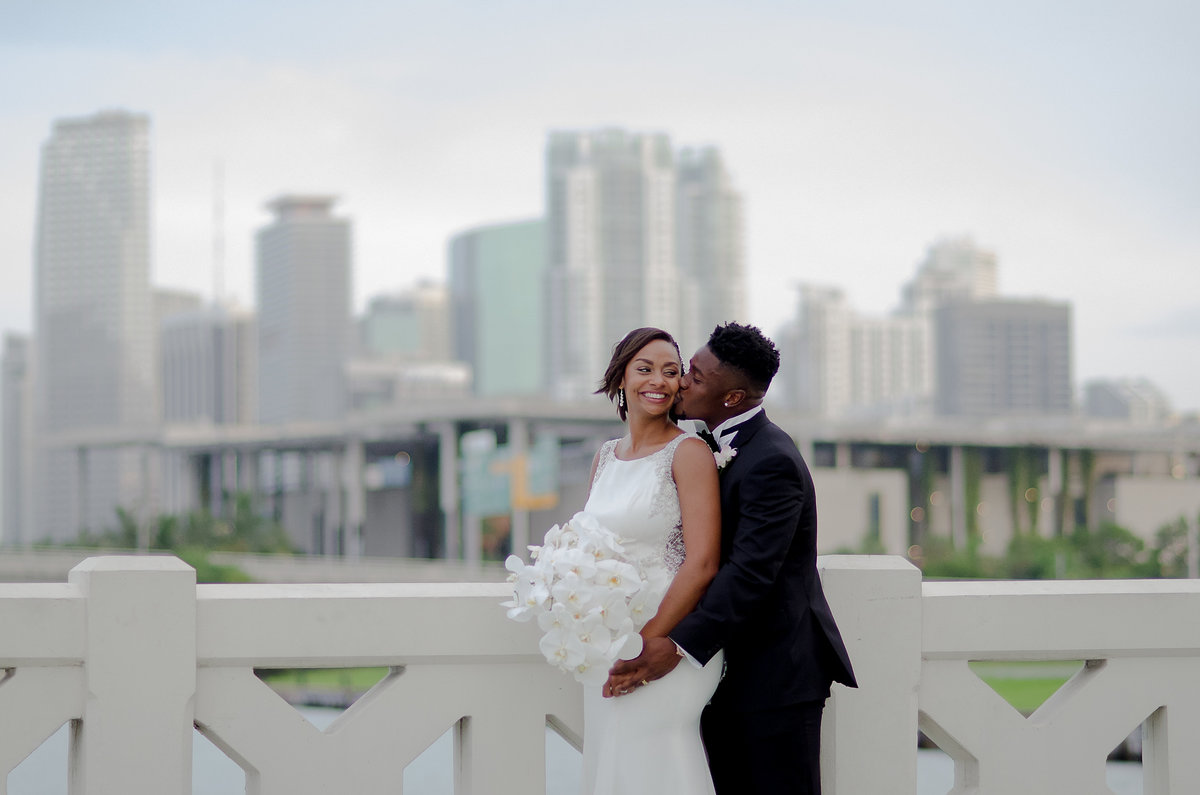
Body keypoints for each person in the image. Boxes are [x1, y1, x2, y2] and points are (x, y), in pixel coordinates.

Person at [606, 322, 857, 795]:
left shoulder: (772, 460)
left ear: (733, 398)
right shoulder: (708, 444)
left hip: (775, 677)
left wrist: (673, 645)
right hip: (723, 672)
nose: (680, 383)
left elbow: (750, 573)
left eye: (694, 377)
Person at [580, 326, 724, 795]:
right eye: (644, 369)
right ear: (621, 377)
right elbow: (586, 545)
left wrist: (652, 640)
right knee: (614, 757)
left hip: (666, 640)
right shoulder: (605, 457)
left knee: (655, 758)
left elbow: (702, 562)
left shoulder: (690, 453)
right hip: (608, 639)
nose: (658, 381)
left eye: (670, 372)